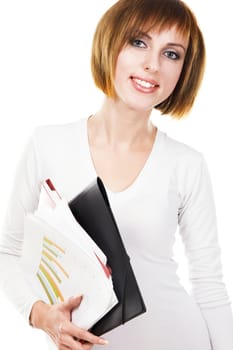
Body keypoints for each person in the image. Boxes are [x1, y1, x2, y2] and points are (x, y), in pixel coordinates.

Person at [0, 0, 233, 349]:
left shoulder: (187, 164)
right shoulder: (47, 144)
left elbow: (209, 285)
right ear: (111, 44)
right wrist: (42, 316)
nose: (152, 64)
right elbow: (8, 251)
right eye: (138, 42)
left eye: (172, 54)